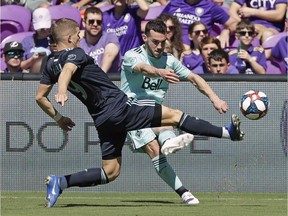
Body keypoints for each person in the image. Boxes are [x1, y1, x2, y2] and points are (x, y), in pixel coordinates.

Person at [36, 18, 244, 208]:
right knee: (173, 116)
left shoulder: (49, 64)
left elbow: (40, 97)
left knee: (110, 171)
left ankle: (61, 182)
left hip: (102, 119)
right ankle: (226, 133)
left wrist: (59, 118)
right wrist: (62, 90)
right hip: (118, 108)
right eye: (78, 34)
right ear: (70, 38)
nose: (81, 36)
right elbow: (68, 70)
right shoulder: (77, 54)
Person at [161, 0, 238, 49]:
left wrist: (226, 31)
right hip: (171, 47)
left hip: (196, 50)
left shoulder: (210, 6)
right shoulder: (174, 3)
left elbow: (234, 23)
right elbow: (159, 21)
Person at [80, 7, 121, 73]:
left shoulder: (110, 37)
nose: (95, 24)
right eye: (91, 21)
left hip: (110, 80)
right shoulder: (80, 42)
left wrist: (99, 78)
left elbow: (109, 55)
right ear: (84, 23)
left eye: (99, 22)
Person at [21, 7, 52, 73]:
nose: (42, 31)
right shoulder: (26, 42)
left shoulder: (55, 41)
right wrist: (32, 60)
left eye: (45, 28)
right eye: (39, 28)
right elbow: (19, 66)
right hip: (30, 78)